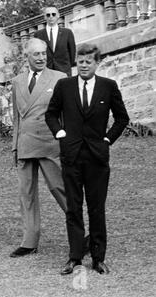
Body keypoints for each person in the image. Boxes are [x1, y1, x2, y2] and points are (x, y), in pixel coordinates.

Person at [45, 43, 129, 275]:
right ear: (76, 63)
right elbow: (51, 113)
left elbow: (122, 118)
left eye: (88, 61)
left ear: (96, 63)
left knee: (96, 208)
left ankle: (98, 258)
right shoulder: (64, 85)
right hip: (71, 156)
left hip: (97, 158)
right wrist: (60, 133)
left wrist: (107, 139)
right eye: (80, 62)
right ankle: (74, 257)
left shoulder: (108, 86)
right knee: (73, 208)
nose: (83, 65)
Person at [9, 38, 68, 258]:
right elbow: (16, 117)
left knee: (59, 188)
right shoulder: (17, 81)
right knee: (26, 194)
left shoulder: (59, 78)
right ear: (27, 57)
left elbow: (67, 114)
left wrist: (68, 142)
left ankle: (84, 232)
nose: (42, 57)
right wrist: (14, 145)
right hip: (25, 144)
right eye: (36, 54)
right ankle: (29, 241)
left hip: (49, 142)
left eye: (44, 53)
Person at [34, 6, 76, 76]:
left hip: (64, 72)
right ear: (44, 17)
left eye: (53, 14)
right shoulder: (38, 35)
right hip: (45, 73)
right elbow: (36, 55)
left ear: (58, 15)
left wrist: (66, 67)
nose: (51, 17)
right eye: (48, 15)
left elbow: (72, 54)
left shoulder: (67, 33)